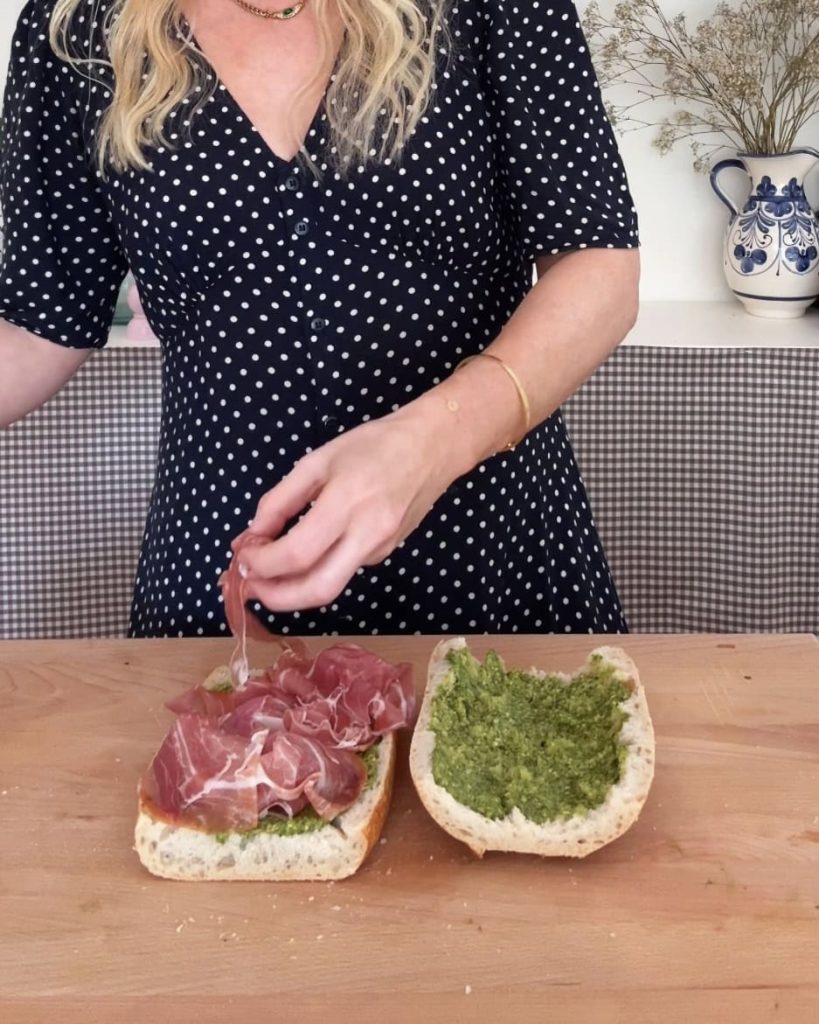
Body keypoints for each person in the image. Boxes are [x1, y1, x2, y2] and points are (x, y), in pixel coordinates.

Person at [0, 0, 640, 638]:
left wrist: (436, 439)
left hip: (491, 558)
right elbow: (38, 324)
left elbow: (601, 268)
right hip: (223, 575)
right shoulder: (76, 23)